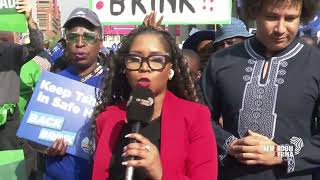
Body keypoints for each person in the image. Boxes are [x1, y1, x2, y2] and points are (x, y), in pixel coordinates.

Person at [201, 0, 320, 179]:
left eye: (290, 18)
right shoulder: (221, 61)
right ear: (254, 12)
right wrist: (230, 145)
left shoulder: (315, 63)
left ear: (302, 16)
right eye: (272, 17)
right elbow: (198, 117)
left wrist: (281, 154)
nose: (280, 28)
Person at [92, 26, 218, 179]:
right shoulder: (107, 119)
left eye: (156, 60)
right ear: (125, 68)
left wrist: (160, 174)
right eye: (135, 59)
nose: (144, 67)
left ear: (170, 68)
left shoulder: (196, 117)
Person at [43, 8, 105, 180]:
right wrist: (45, 147)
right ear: (65, 42)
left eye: (89, 37)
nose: (80, 43)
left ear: (100, 42)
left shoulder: (113, 84)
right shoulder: (52, 82)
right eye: (72, 36)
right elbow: (33, 134)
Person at [0, 0, 44, 178]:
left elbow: (37, 46)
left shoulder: (10, 52)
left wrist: (30, 20)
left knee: (10, 168)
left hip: (8, 123)